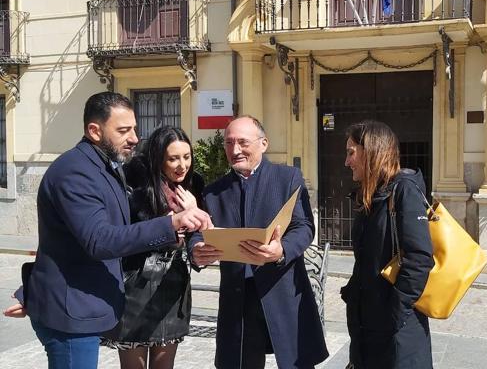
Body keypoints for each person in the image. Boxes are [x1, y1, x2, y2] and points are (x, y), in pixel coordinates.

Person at [2, 92, 211, 369]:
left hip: (90, 306)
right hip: (72, 313)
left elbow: (67, 240)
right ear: (95, 131)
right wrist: (171, 222)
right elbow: (99, 239)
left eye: (135, 129)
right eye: (123, 131)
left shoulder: (106, 167)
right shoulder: (76, 172)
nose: (135, 138)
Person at [191, 116, 329, 369]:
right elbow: (198, 231)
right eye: (228, 143)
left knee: (296, 363)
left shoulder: (287, 178)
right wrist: (196, 249)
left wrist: (282, 250)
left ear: (263, 143)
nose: (234, 150)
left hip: (282, 290)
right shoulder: (213, 191)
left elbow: (304, 226)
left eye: (242, 142)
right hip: (238, 299)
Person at [101, 126, 204, 369]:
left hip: (173, 282)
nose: (182, 165)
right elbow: (129, 234)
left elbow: (197, 232)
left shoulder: (193, 184)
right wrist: (177, 217)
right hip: (137, 281)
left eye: (187, 157)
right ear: (158, 158)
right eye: (173, 158)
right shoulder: (134, 182)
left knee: (164, 365)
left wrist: (197, 243)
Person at [341, 120, 435, 369]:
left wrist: (394, 312)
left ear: (372, 151)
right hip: (368, 329)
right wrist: (354, 291)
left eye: (351, 152)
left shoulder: (405, 190)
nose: (347, 161)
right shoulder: (371, 196)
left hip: (397, 334)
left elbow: (420, 258)